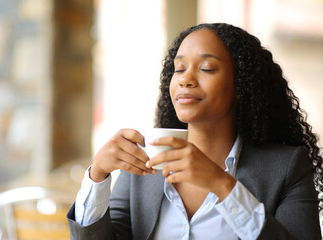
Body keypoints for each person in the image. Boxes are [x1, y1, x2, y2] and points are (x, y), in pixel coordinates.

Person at [67, 23, 323, 239]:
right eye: (179, 69)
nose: (185, 79)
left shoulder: (287, 168)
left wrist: (223, 186)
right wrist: (97, 177)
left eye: (206, 68)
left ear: (241, 84)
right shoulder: (144, 165)